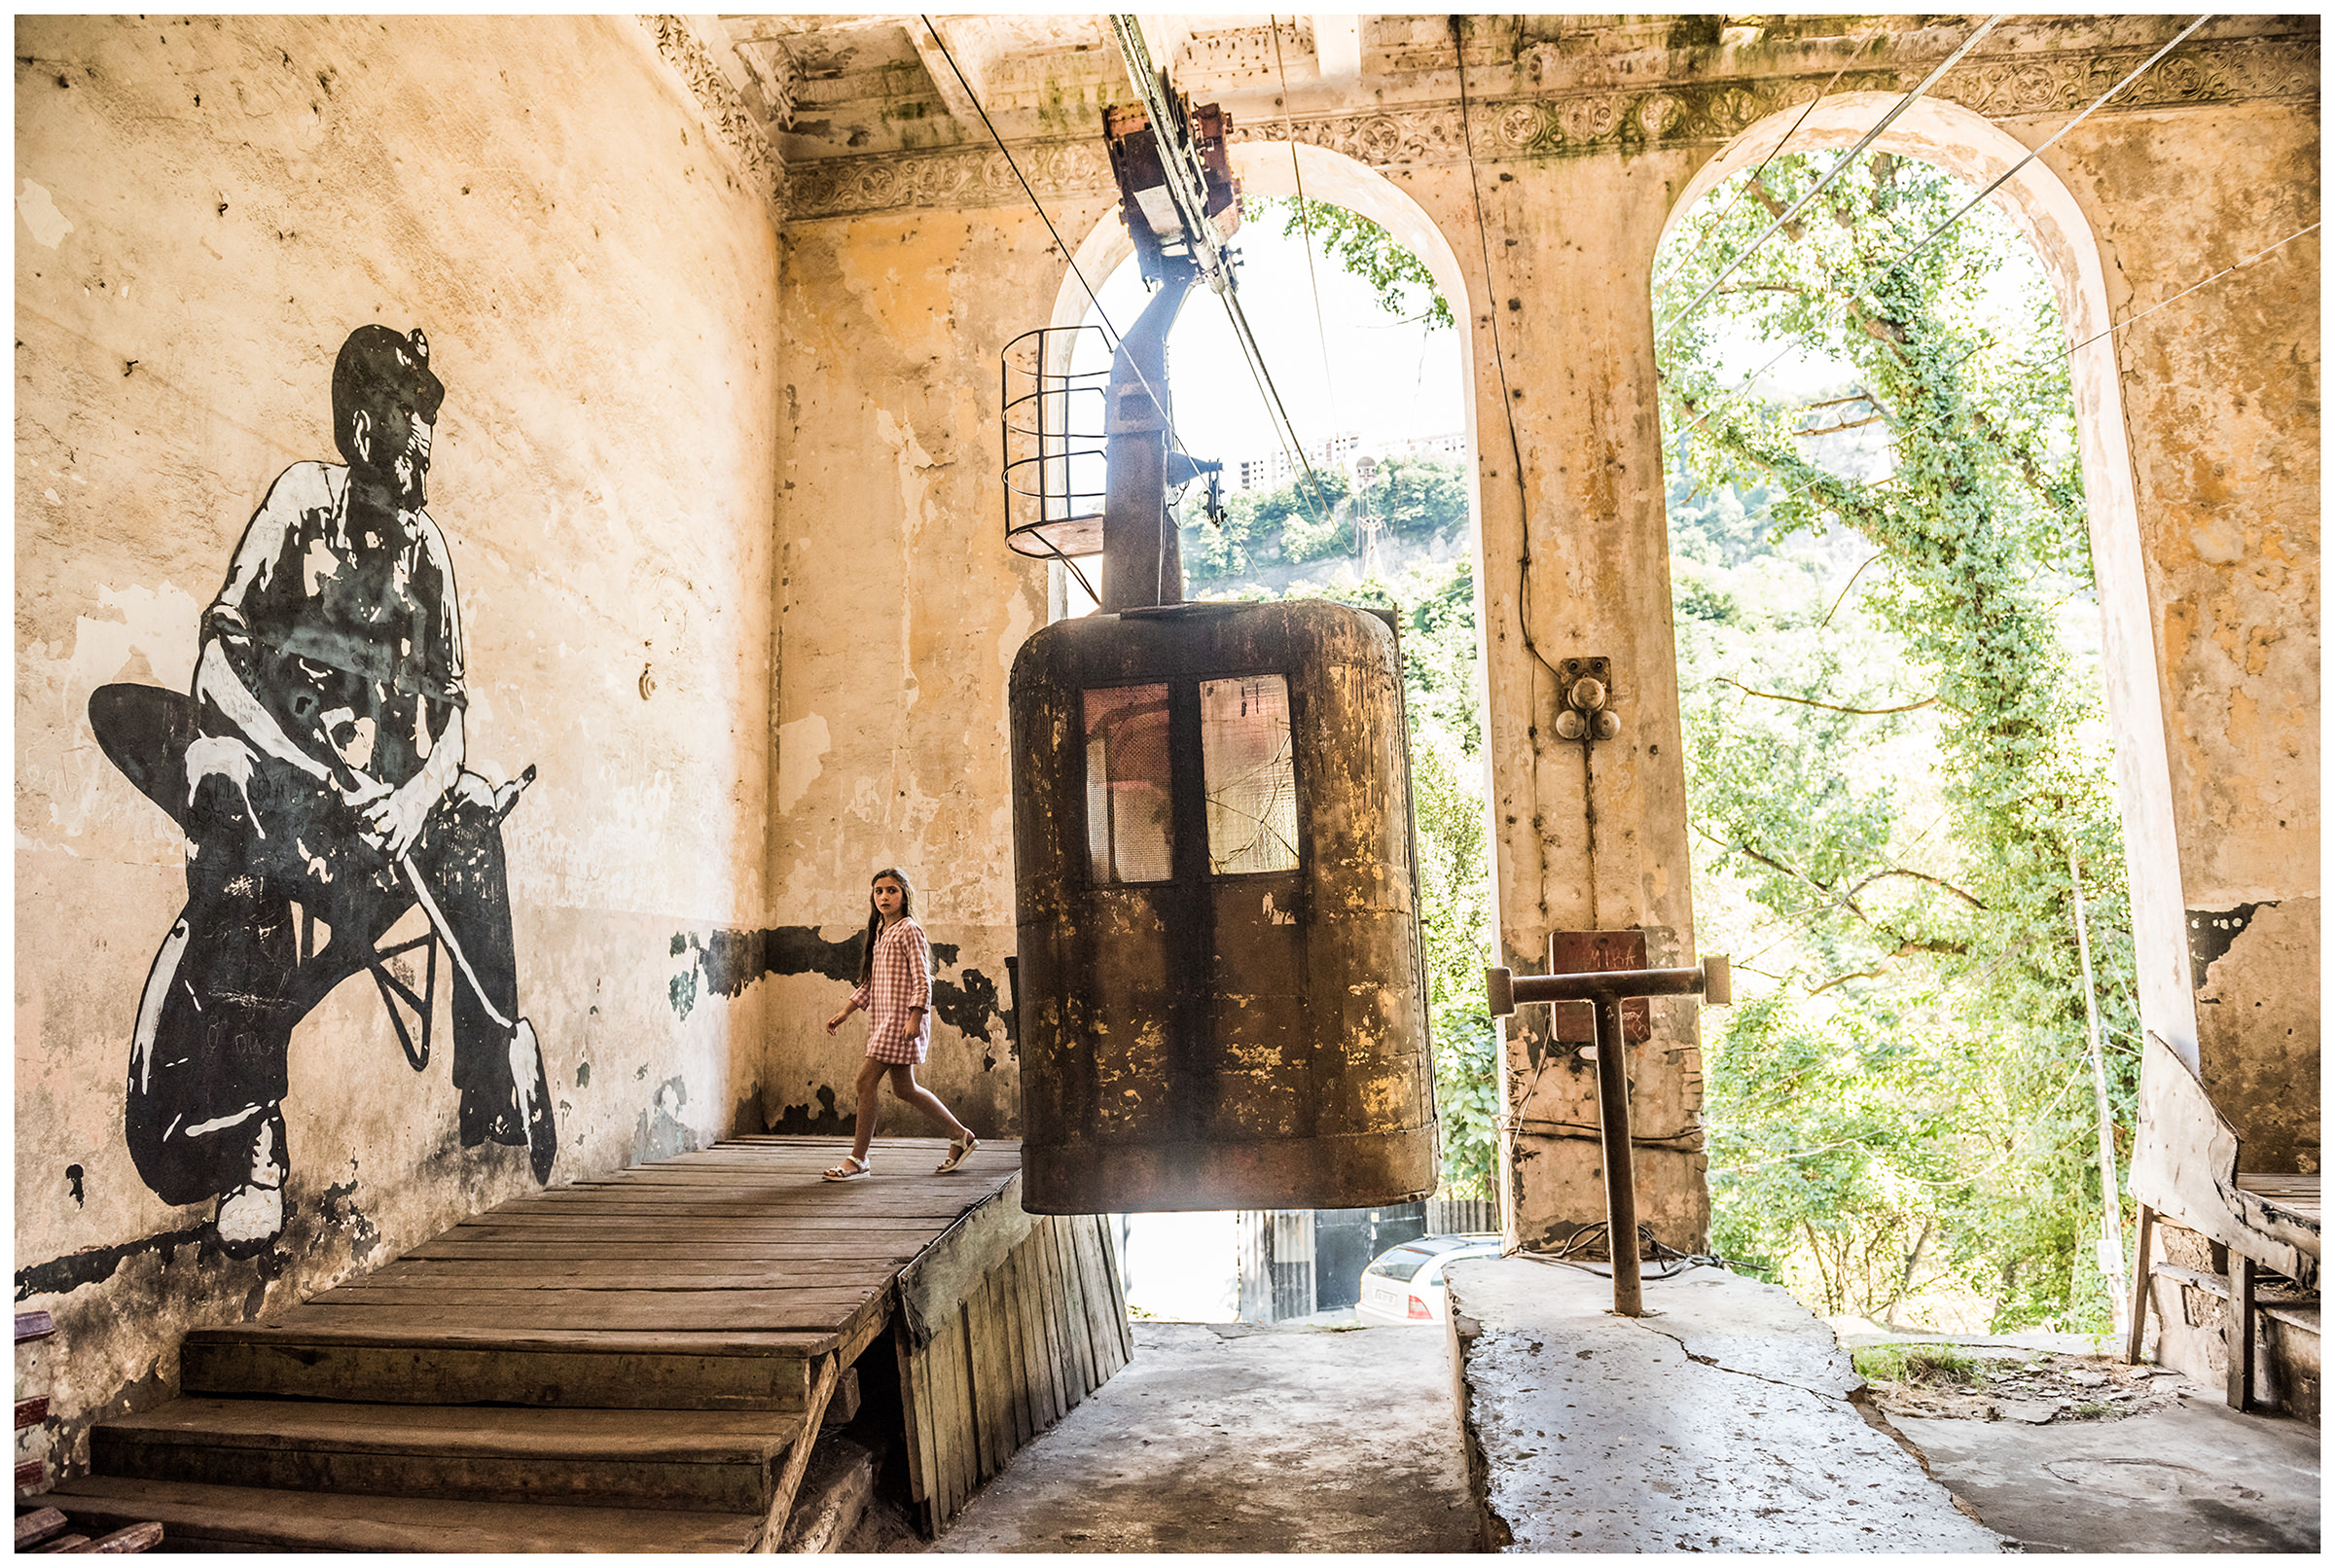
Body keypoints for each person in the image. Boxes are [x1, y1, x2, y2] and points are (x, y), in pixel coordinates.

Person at [122, 324, 554, 1256]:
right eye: (408, 417)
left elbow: (455, 722)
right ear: (362, 426)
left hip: (381, 829)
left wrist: (414, 799)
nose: (423, 441)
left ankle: (493, 1081)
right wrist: (313, 771)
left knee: (476, 819)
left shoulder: (428, 551)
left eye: (429, 421)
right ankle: (252, 1141)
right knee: (225, 791)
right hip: (291, 801)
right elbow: (217, 670)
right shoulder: (298, 507)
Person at [822, 868, 979, 1180]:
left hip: (900, 1021)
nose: (884, 897)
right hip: (882, 1021)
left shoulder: (909, 930)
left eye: (891, 890)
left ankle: (858, 1159)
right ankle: (962, 1137)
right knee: (905, 1089)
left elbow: (923, 979)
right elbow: (871, 983)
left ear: (904, 895)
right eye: (879, 891)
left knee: (865, 1082)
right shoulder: (882, 932)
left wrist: (916, 1017)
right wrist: (845, 1012)